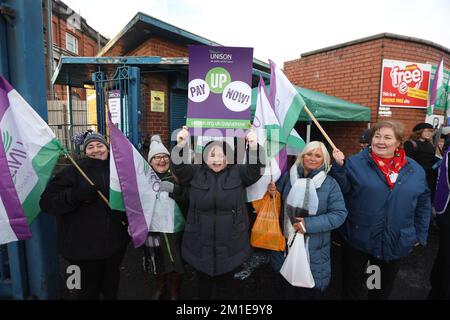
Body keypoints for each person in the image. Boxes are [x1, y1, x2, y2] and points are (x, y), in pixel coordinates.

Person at [331, 121, 431, 300]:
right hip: (360, 240)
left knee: (378, 289)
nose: (380, 141)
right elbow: (342, 191)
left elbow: (423, 202)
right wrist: (338, 168)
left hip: (394, 241)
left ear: (398, 142)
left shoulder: (414, 170)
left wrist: (419, 233)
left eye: (387, 137)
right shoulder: (355, 163)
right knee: (353, 288)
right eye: (377, 136)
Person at [170, 127, 264, 299]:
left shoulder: (238, 173)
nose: (217, 159)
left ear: (228, 158)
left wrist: (253, 146)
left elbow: (255, 169)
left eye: (221, 155)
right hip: (200, 243)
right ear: (205, 157)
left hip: (231, 245)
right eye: (212, 155)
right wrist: (181, 144)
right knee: (203, 290)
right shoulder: (195, 172)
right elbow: (178, 167)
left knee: (226, 291)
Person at [40, 131, 130, 300]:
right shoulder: (73, 172)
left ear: (107, 147)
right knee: (87, 292)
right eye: (90, 146)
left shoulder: (119, 170)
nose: (96, 150)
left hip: (114, 247)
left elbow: (133, 199)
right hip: (83, 251)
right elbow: (47, 203)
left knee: (111, 286)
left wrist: (124, 217)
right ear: (84, 151)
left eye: (100, 145)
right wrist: (75, 195)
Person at [268, 141, 347, 299]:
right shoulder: (288, 178)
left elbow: (339, 214)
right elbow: (277, 202)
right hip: (286, 246)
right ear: (302, 156)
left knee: (308, 293)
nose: (312, 158)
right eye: (309, 154)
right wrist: (272, 193)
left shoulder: (329, 184)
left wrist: (308, 225)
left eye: (318, 155)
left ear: (324, 160)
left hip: (313, 251)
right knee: (286, 290)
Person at [144, 135, 187, 300]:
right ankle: (160, 287)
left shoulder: (178, 176)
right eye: (156, 157)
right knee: (157, 261)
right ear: (150, 161)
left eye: (164, 156)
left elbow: (188, 198)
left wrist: (174, 189)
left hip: (175, 228)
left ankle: (174, 291)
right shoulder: (144, 179)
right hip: (153, 229)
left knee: (177, 261)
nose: (161, 160)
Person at [404, 122, 437, 202]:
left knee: (427, 195)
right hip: (418, 175)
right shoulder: (410, 143)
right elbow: (409, 161)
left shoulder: (430, 144)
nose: (429, 133)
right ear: (419, 131)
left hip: (431, 175)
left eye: (431, 131)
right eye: (427, 131)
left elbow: (431, 157)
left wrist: (440, 162)